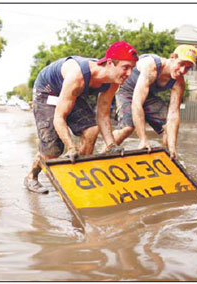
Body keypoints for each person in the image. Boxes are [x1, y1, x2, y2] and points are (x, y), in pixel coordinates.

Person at [24, 41, 139, 194]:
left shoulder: (114, 81)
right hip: (49, 91)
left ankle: (80, 177)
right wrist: (71, 147)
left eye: (132, 68)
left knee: (91, 130)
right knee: (53, 150)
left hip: (72, 93)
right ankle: (31, 176)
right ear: (110, 63)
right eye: (126, 67)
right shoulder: (78, 76)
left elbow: (103, 113)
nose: (129, 74)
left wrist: (111, 145)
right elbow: (59, 116)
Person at [112, 45, 197, 159]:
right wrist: (143, 139)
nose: (183, 71)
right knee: (127, 128)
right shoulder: (151, 66)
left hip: (146, 95)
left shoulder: (179, 82)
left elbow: (173, 115)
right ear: (172, 57)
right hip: (127, 91)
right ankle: (104, 151)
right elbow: (137, 103)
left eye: (188, 68)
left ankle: (167, 157)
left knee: (168, 126)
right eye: (181, 64)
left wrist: (173, 148)